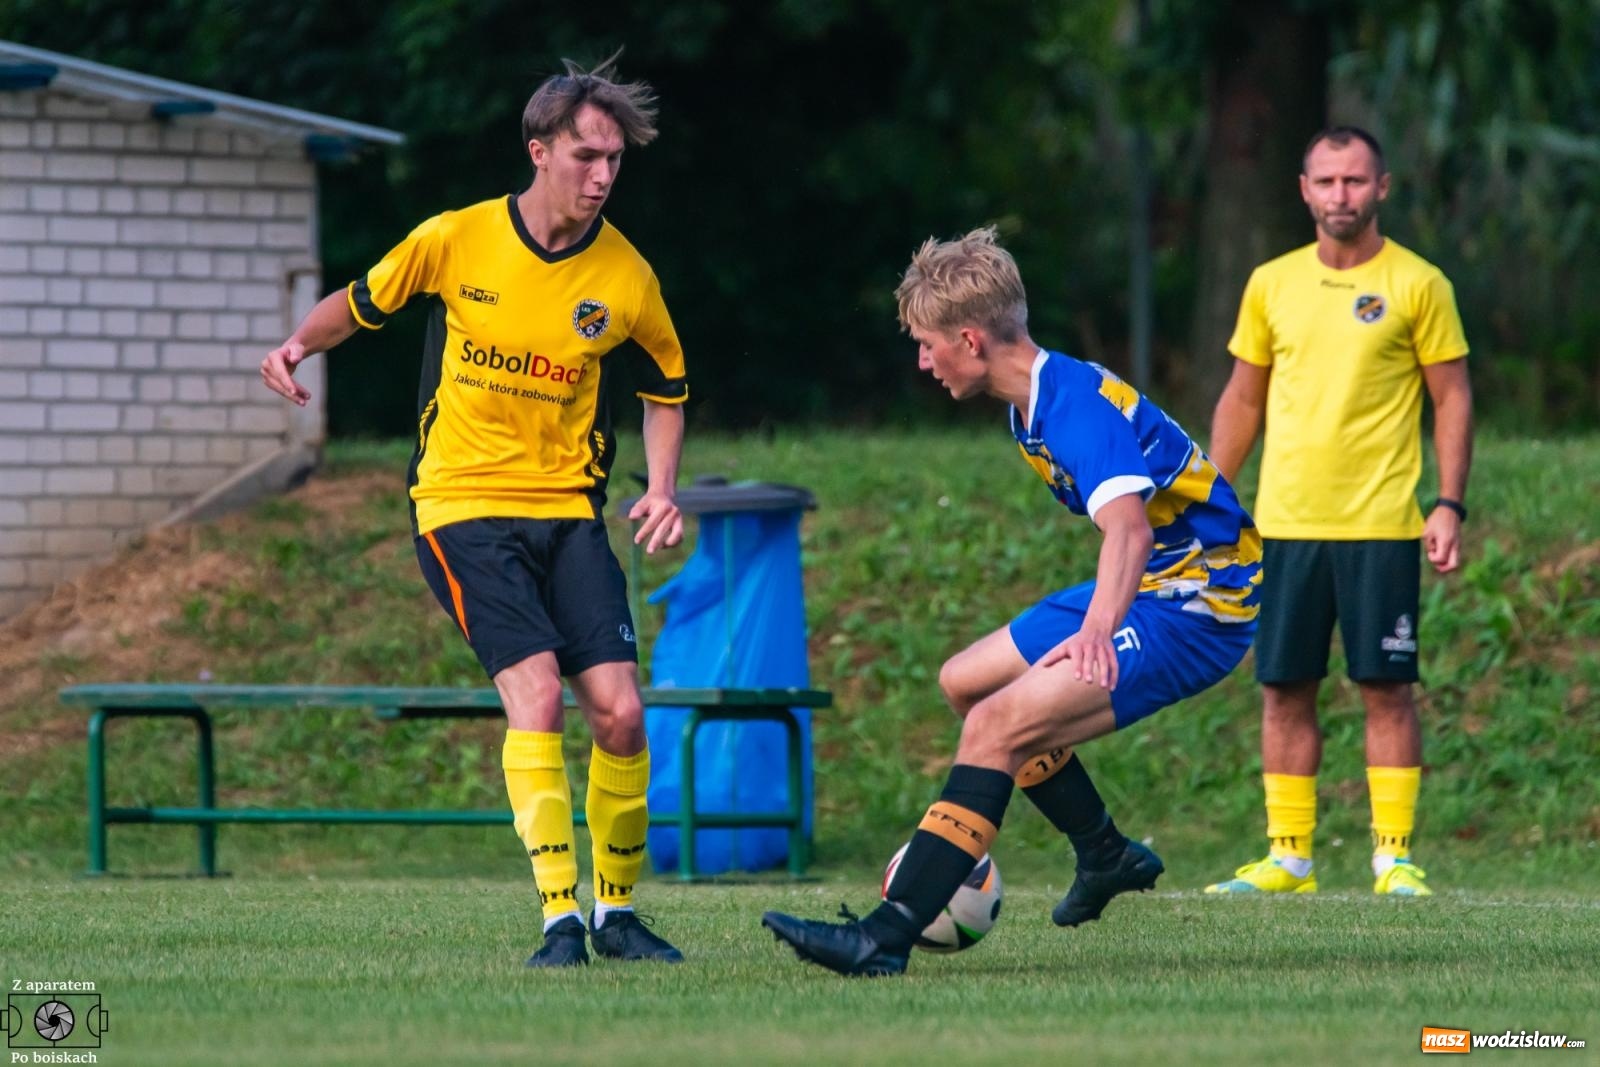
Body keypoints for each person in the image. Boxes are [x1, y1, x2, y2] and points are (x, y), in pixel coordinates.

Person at [260, 53, 690, 966]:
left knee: (621, 713)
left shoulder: (627, 275)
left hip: (569, 513)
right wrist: (296, 344)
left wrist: (660, 486)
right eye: (585, 156)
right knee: (537, 695)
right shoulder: (456, 239)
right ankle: (560, 920)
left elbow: (666, 386)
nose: (602, 175)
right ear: (539, 151)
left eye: (614, 159)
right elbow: (361, 301)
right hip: (462, 505)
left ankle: (616, 914)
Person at [761, 227, 1262, 976]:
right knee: (967, 682)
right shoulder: (1030, 400)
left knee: (995, 726)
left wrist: (1099, 631)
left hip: (1202, 600)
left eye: (928, 345)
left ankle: (883, 938)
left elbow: (1127, 529)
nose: (922, 361)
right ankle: (1104, 852)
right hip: (1162, 576)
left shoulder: (1072, 407)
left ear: (969, 340)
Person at [1204, 126, 1473, 897]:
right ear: (1304, 190)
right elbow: (1243, 398)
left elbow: (1452, 396)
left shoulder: (1420, 283)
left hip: (1381, 524)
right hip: (1286, 524)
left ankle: (1394, 858)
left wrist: (1448, 503)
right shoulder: (1271, 283)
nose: (1340, 195)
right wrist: (1211, 500)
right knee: (1283, 687)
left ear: (1381, 187)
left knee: (1386, 687)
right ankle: (1289, 858)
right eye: (1326, 181)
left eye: (1355, 180)